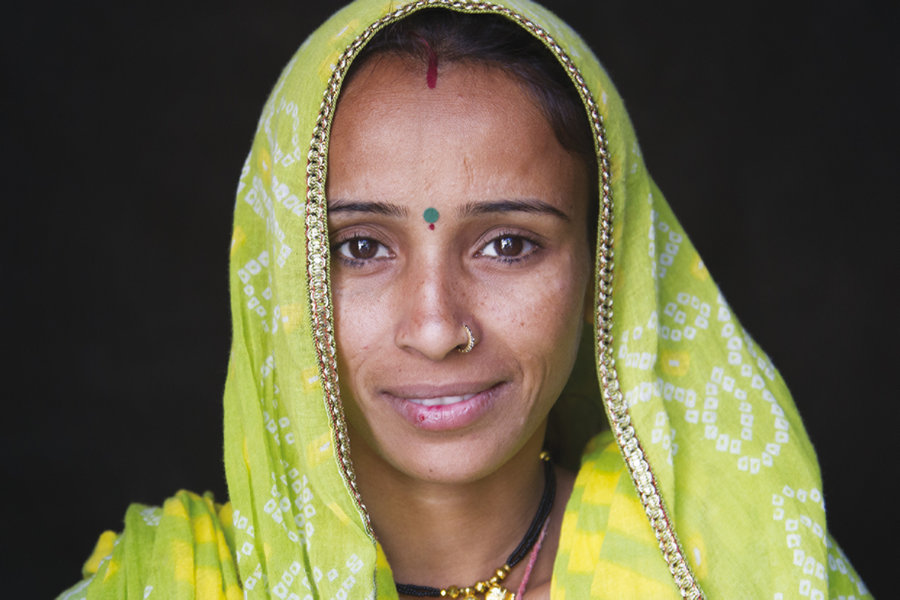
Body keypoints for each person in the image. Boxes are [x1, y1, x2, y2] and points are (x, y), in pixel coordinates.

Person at [57, 0, 871, 598]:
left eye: (508, 245)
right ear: (282, 285)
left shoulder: (745, 570)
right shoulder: (165, 585)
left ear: (604, 271)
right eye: (361, 248)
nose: (437, 327)